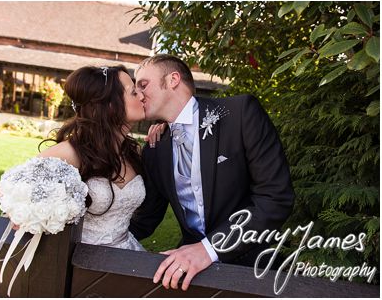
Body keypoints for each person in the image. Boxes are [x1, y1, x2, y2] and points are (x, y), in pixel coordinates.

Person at [130, 54, 294, 291]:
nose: (138, 94)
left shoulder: (240, 114)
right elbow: (147, 217)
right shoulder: (155, 148)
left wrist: (209, 249)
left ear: (174, 79)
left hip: (254, 266)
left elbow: (275, 198)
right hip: (188, 273)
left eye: (143, 84)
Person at [39, 65, 148, 251]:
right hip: (83, 262)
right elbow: (18, 188)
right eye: (133, 92)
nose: (142, 96)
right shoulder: (69, 153)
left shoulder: (132, 152)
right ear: (110, 105)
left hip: (128, 251)